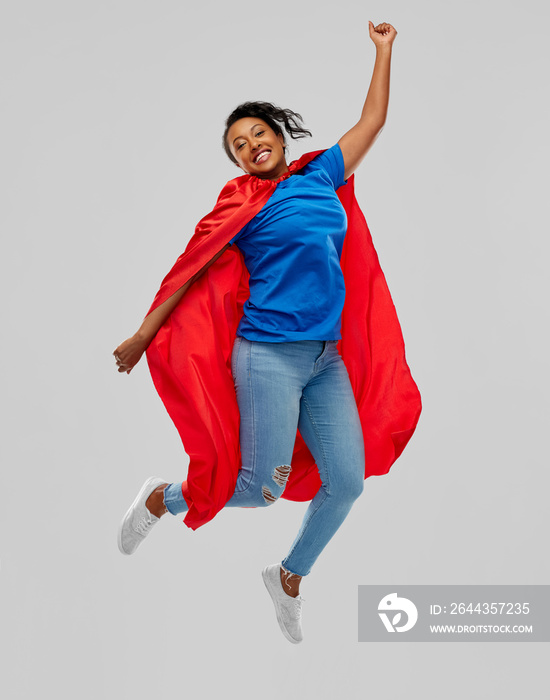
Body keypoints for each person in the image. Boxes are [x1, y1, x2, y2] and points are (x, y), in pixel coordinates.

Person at [114, 21, 420, 644]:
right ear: (235, 161)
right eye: (238, 144)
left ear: (280, 137)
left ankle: (288, 577)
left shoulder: (321, 176)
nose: (251, 145)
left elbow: (373, 121)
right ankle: (161, 499)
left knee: (348, 483)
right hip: (267, 357)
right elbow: (190, 269)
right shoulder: (242, 205)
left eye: (258, 133)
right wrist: (144, 336)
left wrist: (384, 50)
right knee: (257, 490)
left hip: (324, 361)